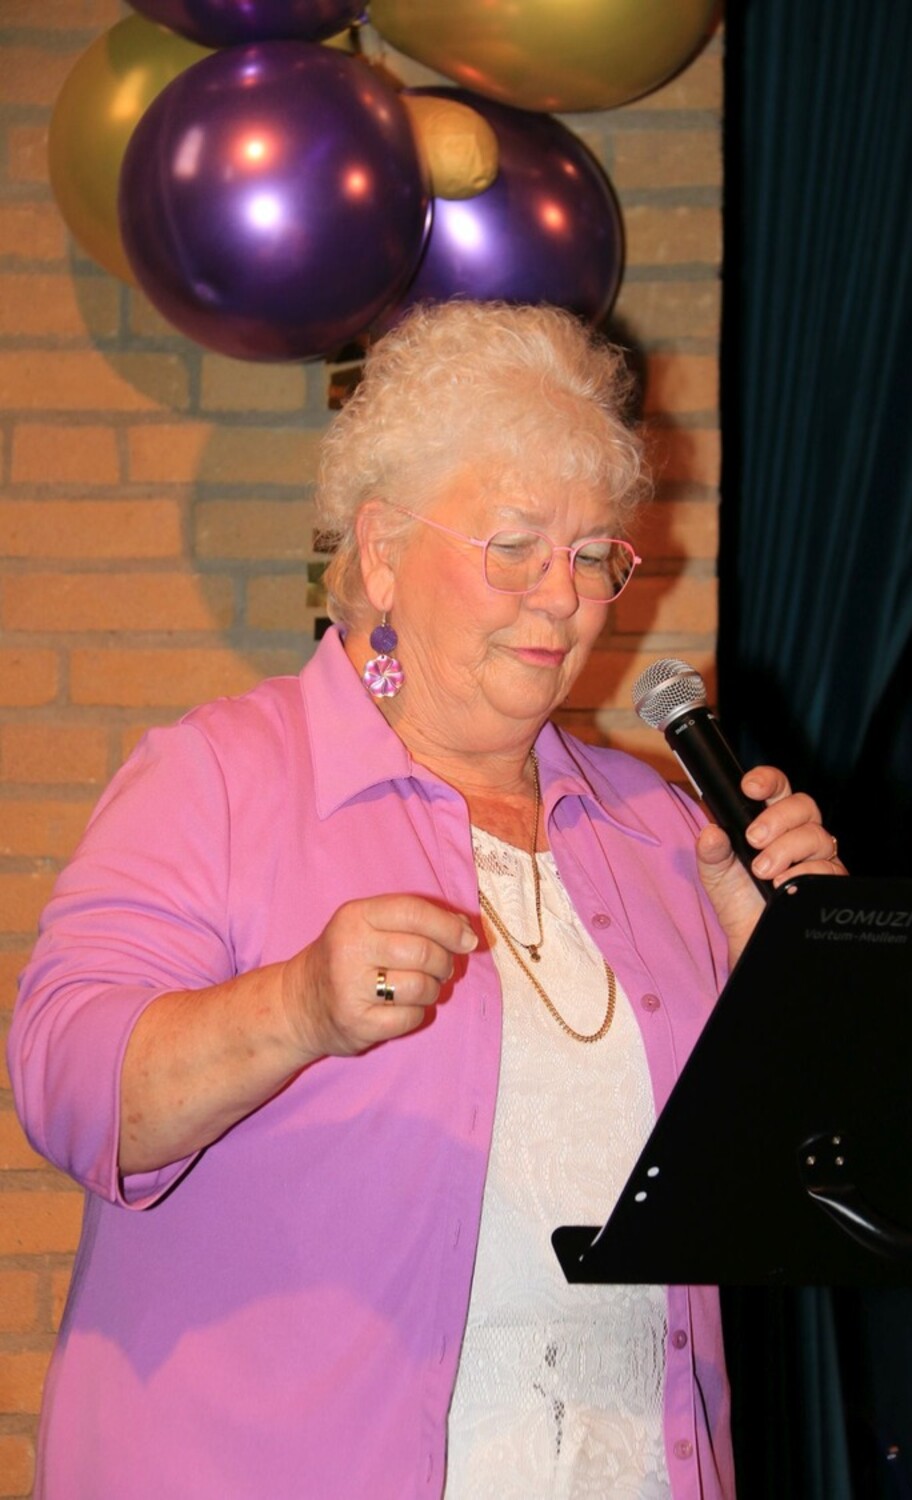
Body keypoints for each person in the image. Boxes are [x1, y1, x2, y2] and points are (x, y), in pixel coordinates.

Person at [9, 300, 843, 1500]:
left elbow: (787, 1192)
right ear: (383, 551)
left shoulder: (662, 828)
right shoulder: (223, 779)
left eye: (594, 554)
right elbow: (67, 1086)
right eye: (515, 546)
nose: (562, 598)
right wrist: (295, 1008)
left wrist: (795, 979)